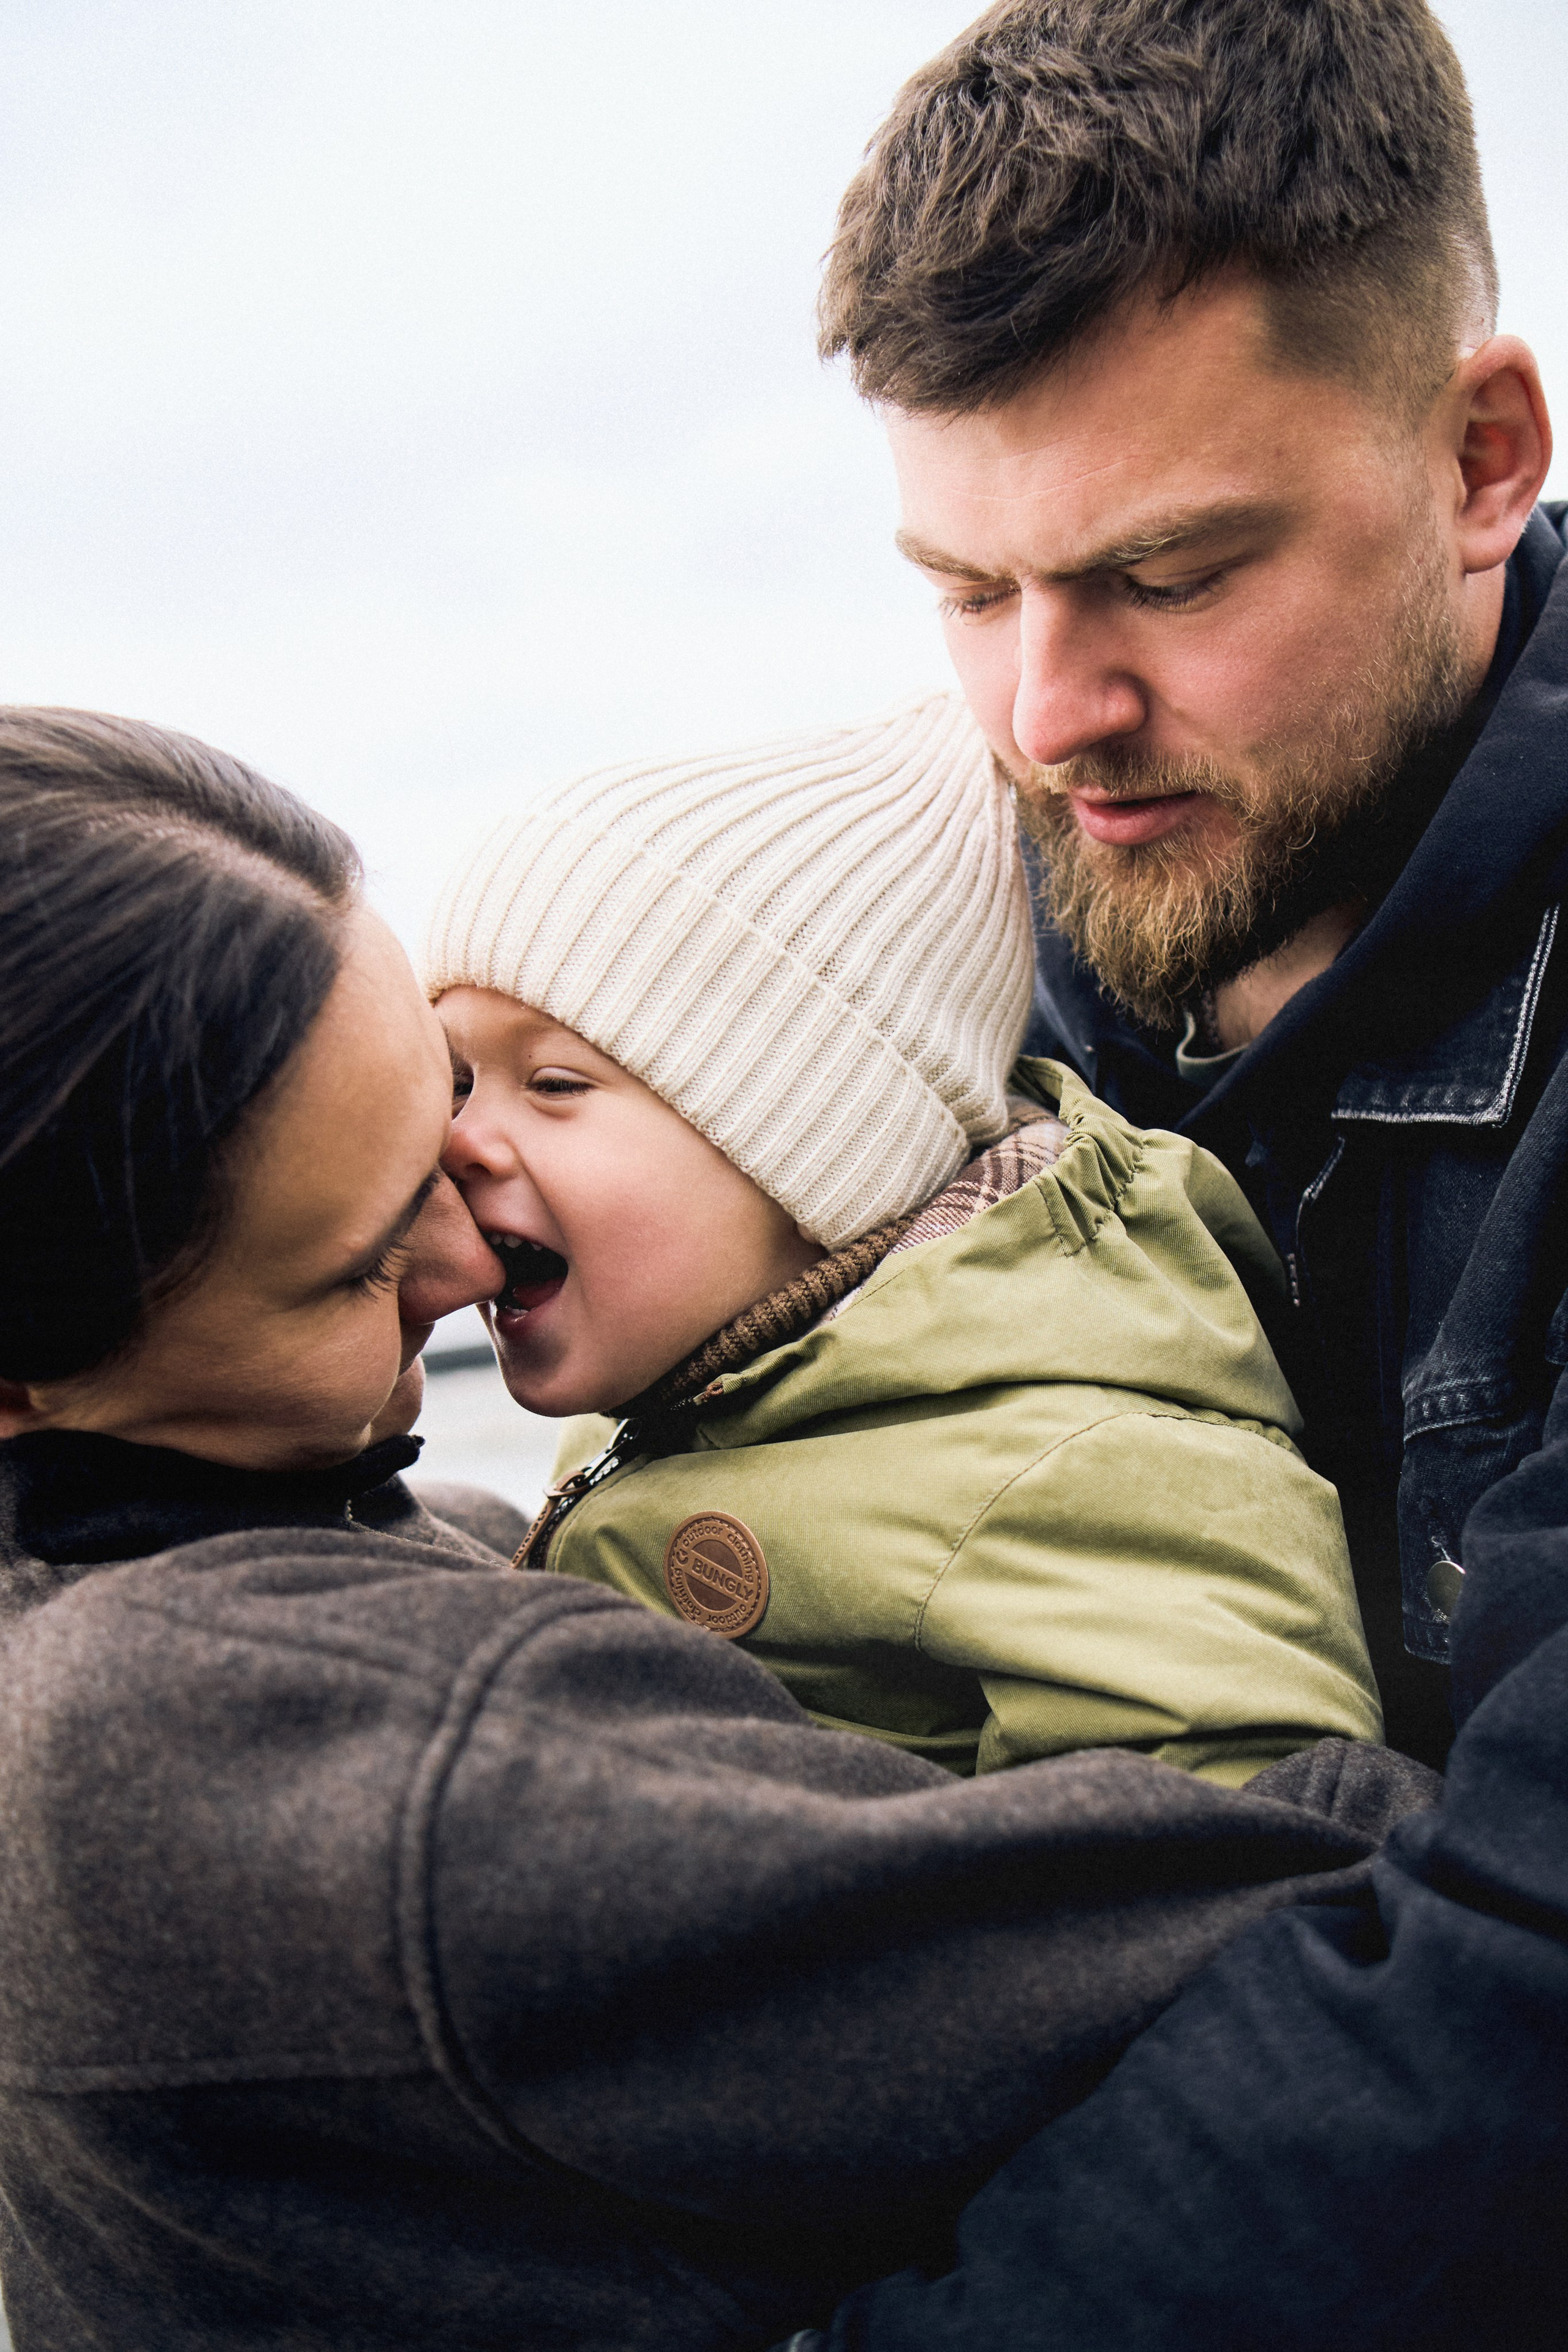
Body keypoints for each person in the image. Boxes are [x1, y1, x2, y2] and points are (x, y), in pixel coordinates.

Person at [0, 707, 1433, 2350]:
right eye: (351, 1271)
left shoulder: (306, 1563)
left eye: (447, 1106)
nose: (464, 1252)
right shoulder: (311, 1751)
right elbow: (1343, 1937)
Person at [782, 0, 1568, 2343]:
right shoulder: (890, 979)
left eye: (1172, 572)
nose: (1048, 717)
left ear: (1478, 457)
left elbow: (1525, 1987)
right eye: (968, 589)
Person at [428, 692, 1379, 1784]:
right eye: (452, 1080)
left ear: (808, 1139)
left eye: (553, 1083)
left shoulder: (1081, 1465)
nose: (458, 1140)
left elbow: (1235, 1841)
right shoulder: (684, 1382)